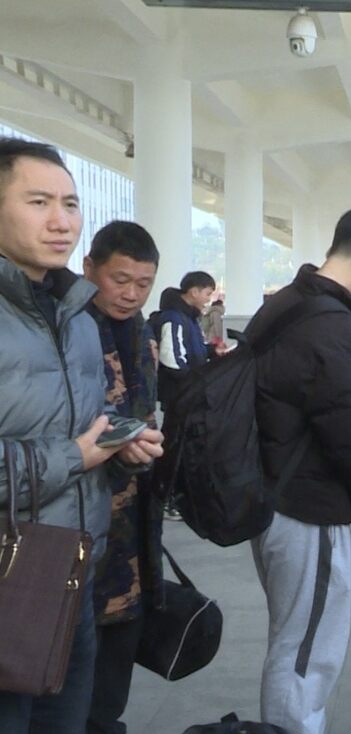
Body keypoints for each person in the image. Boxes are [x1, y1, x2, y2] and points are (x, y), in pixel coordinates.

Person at [0, 138, 162, 731]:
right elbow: (74, 448)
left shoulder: (74, 316)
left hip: (70, 572)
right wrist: (76, 455)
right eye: (38, 202)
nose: (61, 221)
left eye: (70, 204)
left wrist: (120, 449)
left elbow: (86, 431)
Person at [243, 203, 351, 734]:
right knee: (305, 654)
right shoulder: (329, 322)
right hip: (307, 510)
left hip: (275, 496)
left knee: (294, 640)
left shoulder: (289, 302)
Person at [81, 221, 165, 734]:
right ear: (89, 268)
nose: (131, 294)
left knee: (115, 666)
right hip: (79, 527)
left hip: (133, 527)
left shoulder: (144, 333)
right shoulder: (68, 331)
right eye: (120, 280)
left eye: (143, 284)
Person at [152, 270, 217, 410]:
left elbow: (193, 348)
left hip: (189, 391)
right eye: (207, 294)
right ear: (194, 292)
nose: (208, 300)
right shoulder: (173, 318)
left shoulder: (190, 317)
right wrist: (193, 381)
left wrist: (213, 350)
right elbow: (171, 359)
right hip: (178, 393)